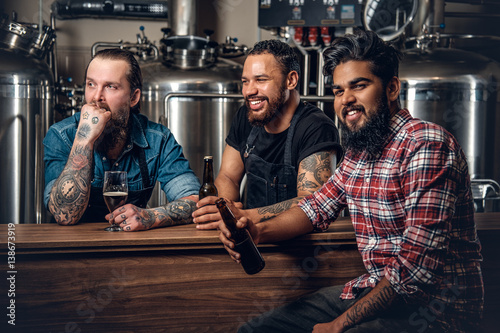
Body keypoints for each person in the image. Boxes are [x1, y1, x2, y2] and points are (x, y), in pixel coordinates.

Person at [219, 29, 484, 333]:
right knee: (256, 330)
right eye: (338, 91)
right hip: (375, 289)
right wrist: (257, 231)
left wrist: (338, 325)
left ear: (392, 88)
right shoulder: (358, 152)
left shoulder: (426, 145)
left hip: (436, 313)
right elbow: (315, 208)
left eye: (359, 86)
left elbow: (414, 270)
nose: (347, 100)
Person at [43, 48, 200, 231]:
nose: (96, 97)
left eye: (110, 86)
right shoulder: (61, 135)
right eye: (91, 84)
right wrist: (84, 139)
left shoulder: (158, 140)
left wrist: (150, 216)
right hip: (73, 251)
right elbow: (64, 214)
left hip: (131, 249)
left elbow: (195, 202)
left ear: (133, 97)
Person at [193, 39, 342, 229]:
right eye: (245, 82)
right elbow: (228, 176)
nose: (249, 91)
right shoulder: (245, 117)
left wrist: (243, 215)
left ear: (291, 80)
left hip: (302, 246)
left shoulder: (316, 128)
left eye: (261, 80)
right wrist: (225, 212)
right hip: (250, 236)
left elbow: (311, 202)